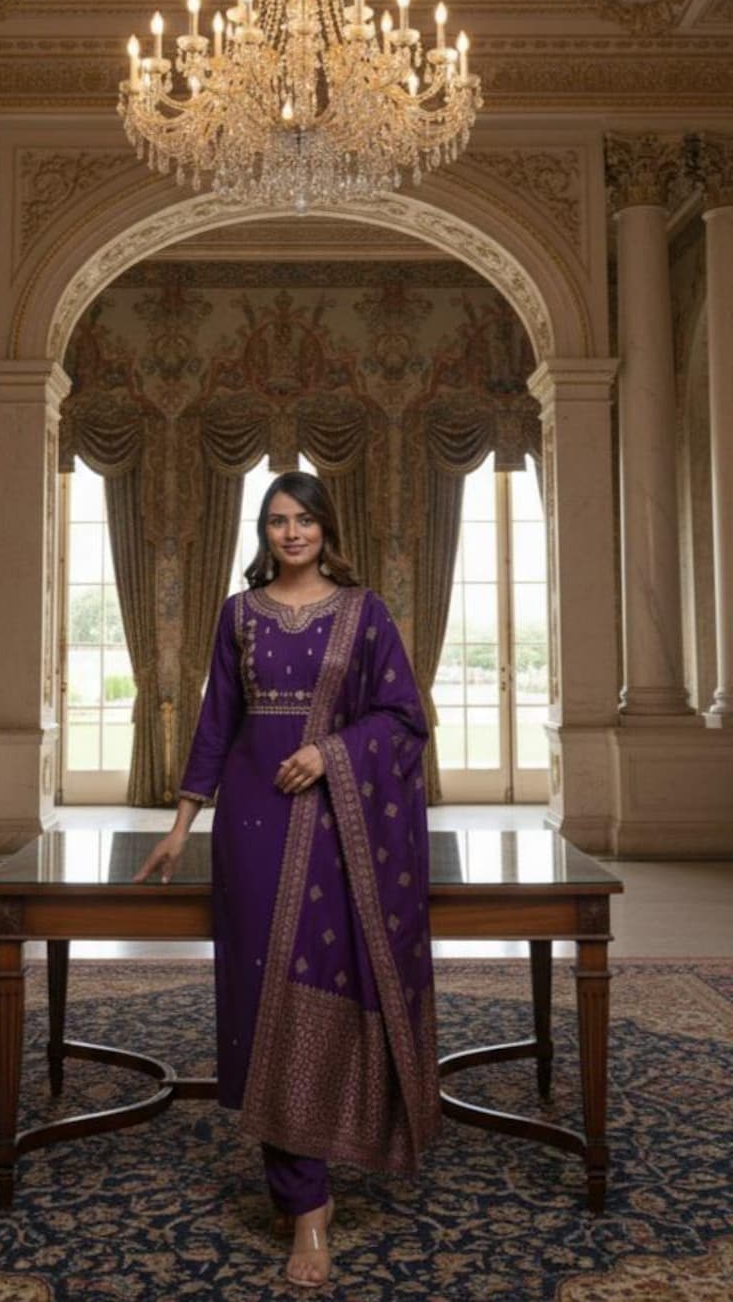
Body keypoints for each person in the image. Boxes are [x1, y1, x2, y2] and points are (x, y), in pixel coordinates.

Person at [134, 471, 440, 1289]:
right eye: (277, 521)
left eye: (304, 520)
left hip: (340, 830)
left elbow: (407, 717)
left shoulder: (363, 612)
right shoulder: (238, 616)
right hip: (252, 826)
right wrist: (180, 825)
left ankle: (321, 1164)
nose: (292, 533)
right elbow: (215, 722)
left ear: (325, 527)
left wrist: (332, 752)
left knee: (324, 983)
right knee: (263, 994)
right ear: (263, 533)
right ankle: (304, 1201)